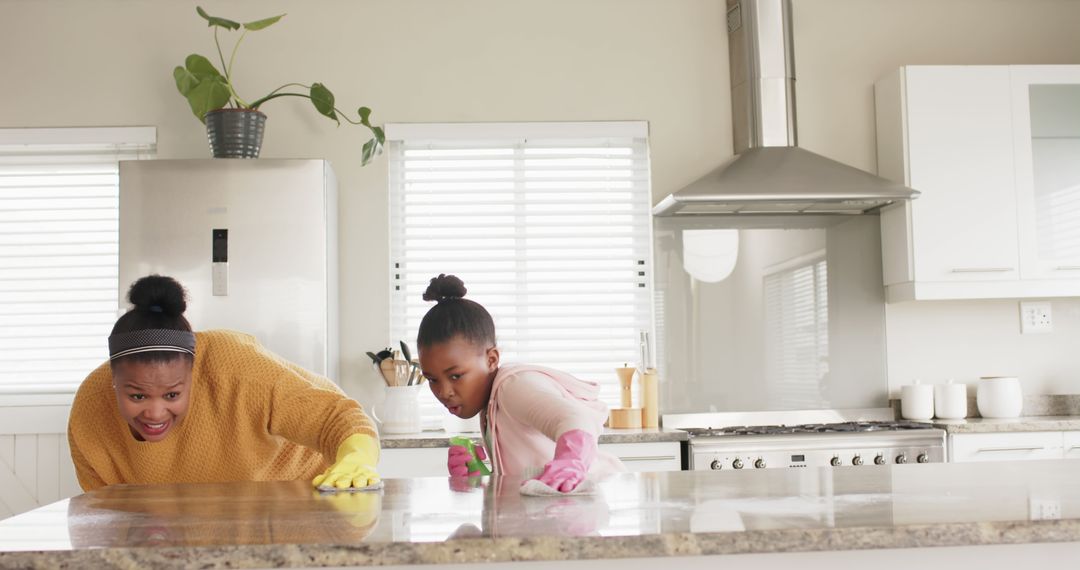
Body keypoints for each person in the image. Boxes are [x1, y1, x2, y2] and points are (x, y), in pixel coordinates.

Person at [67, 274, 380, 492]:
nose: (155, 412)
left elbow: (338, 419)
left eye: (173, 393)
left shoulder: (238, 370)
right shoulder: (90, 411)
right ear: (114, 380)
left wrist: (356, 458)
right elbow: (109, 514)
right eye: (137, 396)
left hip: (305, 487)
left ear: (194, 373)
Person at [416, 274, 624, 493]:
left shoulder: (513, 387)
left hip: (588, 502)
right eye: (432, 379)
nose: (443, 392)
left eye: (456, 376)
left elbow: (577, 420)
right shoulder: (491, 405)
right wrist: (478, 478)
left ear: (491, 359)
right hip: (555, 515)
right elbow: (525, 477)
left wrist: (572, 463)